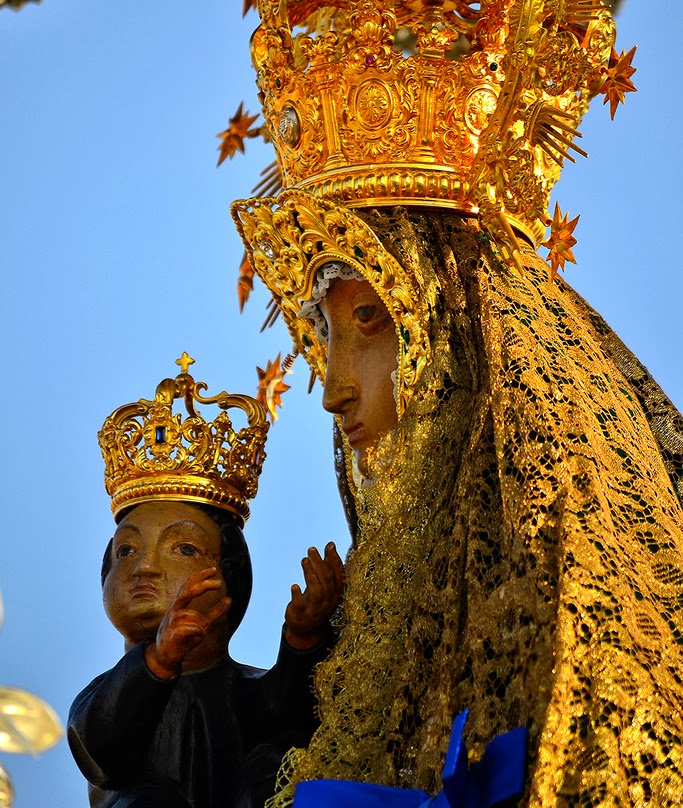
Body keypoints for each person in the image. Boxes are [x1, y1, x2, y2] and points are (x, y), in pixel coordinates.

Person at [232, 198, 683, 807]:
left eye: (367, 320)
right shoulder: (389, 589)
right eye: (324, 338)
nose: (332, 389)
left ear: (445, 323)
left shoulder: (550, 553)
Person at [68, 498, 344, 808]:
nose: (144, 566)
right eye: (126, 551)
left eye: (184, 548)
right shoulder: (105, 696)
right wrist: (155, 663)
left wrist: (304, 639)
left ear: (231, 578)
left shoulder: (250, 688)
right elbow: (102, 753)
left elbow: (299, 725)